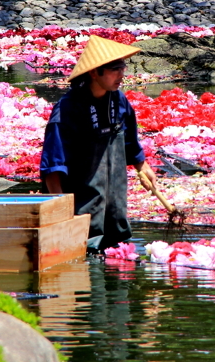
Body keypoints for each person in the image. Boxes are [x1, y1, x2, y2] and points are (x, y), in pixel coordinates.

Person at [40, 34, 157, 251]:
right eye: (115, 68)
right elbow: (53, 166)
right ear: (94, 72)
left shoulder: (119, 99)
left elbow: (130, 141)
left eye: (123, 67)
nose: (122, 74)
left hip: (115, 214)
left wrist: (143, 166)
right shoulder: (68, 109)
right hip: (83, 222)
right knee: (90, 264)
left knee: (119, 257)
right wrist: (62, 212)